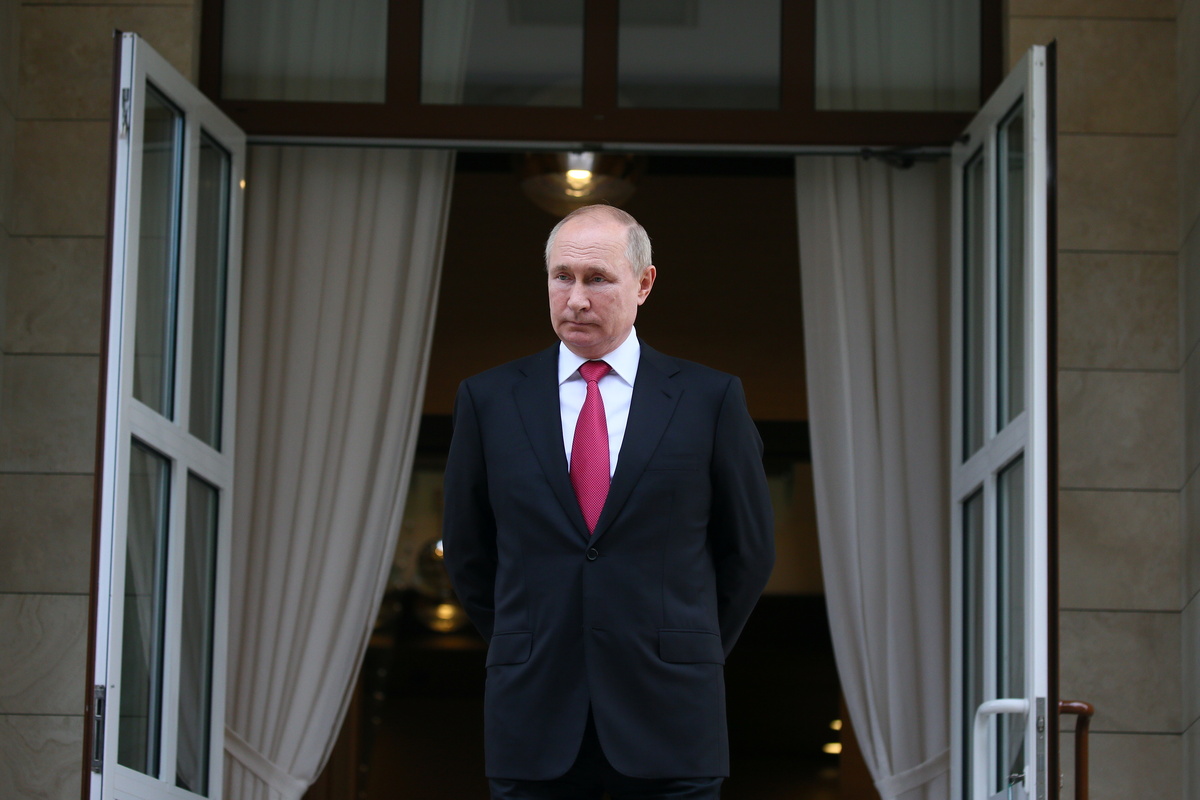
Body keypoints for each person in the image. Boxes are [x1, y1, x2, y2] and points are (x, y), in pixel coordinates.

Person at [442, 204, 775, 799]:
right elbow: (469, 553)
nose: (575, 299)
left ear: (644, 284)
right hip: (533, 718)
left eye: (597, 279)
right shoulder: (488, 400)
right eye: (561, 277)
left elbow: (747, 553)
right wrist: (531, 642)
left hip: (671, 719)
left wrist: (683, 647)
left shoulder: (710, 399)